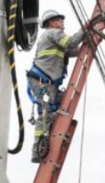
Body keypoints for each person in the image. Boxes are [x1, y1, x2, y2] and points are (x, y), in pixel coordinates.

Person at [27, 9, 84, 163]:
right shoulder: (53, 32)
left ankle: (50, 136)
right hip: (42, 81)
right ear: (51, 22)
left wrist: (87, 46)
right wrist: (84, 30)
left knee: (61, 103)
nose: (62, 23)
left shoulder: (52, 38)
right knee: (45, 113)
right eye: (59, 19)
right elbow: (71, 42)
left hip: (46, 82)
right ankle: (38, 150)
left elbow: (71, 50)